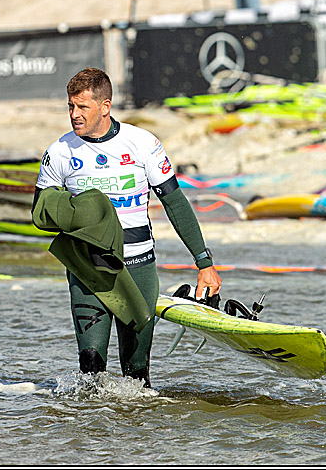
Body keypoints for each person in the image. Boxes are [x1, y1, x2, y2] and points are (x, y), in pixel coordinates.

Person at [32, 67, 222, 387]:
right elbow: (41, 212)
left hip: (138, 266)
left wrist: (204, 263)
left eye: (82, 107)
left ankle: (138, 435)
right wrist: (82, 213)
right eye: (70, 107)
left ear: (105, 107)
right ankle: (91, 434)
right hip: (88, 267)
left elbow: (175, 204)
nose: (75, 115)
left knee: (137, 376)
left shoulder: (142, 143)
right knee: (91, 368)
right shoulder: (60, 152)